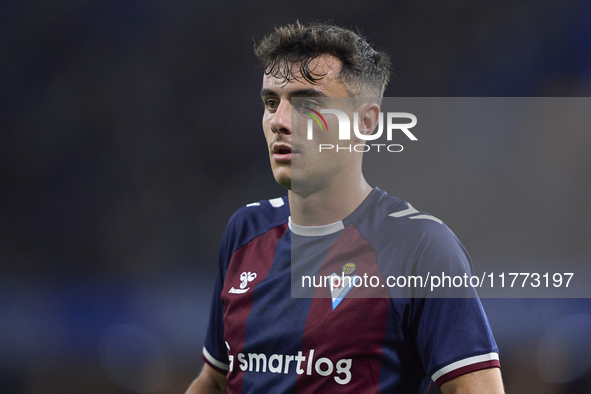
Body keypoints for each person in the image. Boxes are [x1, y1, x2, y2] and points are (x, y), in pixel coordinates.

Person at [186, 22, 504, 393]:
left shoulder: (419, 245)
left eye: (308, 103)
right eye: (272, 103)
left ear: (366, 122)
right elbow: (214, 378)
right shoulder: (245, 231)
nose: (279, 122)